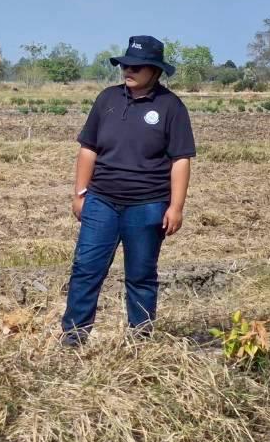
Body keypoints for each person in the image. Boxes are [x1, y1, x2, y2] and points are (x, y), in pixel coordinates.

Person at [62, 35, 196, 346]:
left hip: (148, 205)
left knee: (141, 275)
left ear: (155, 71)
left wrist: (175, 207)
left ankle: (141, 341)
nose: (128, 70)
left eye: (137, 66)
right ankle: (73, 338)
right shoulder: (107, 99)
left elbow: (180, 160)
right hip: (100, 202)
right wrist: (79, 193)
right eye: (125, 64)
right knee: (86, 269)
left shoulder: (171, 107)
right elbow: (88, 149)